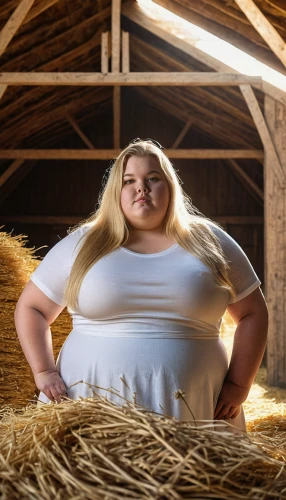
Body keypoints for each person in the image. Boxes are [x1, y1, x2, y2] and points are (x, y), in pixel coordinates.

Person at [15, 138, 268, 430]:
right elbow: (31, 307)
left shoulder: (211, 241)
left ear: (171, 187)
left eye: (153, 178)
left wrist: (239, 384)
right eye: (129, 180)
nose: (141, 188)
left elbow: (254, 313)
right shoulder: (82, 244)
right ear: (115, 191)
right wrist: (44, 370)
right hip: (86, 409)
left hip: (198, 408)